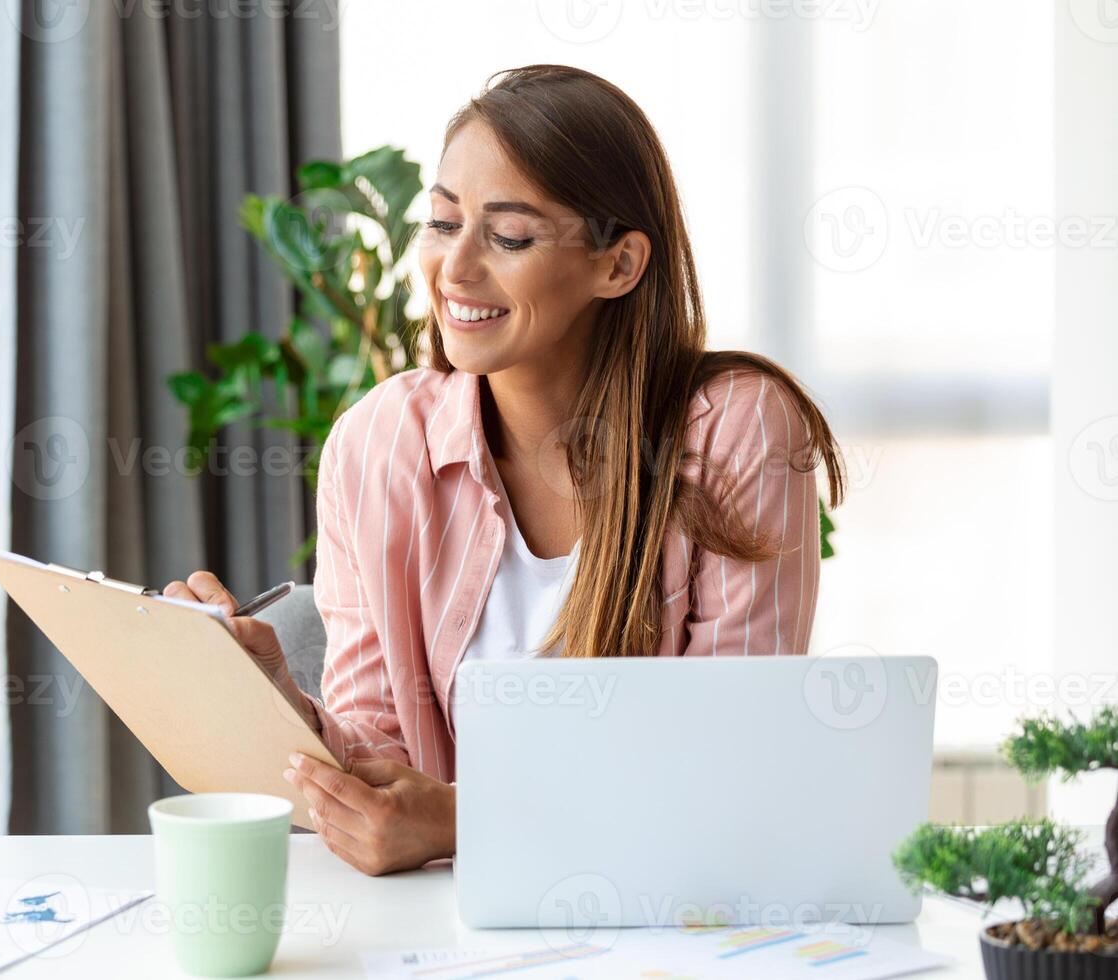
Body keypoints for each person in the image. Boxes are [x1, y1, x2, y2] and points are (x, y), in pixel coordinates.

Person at [164, 64, 844, 877]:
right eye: (444, 223)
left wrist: (463, 818)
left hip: (668, 911)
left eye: (509, 236)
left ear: (619, 265)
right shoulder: (377, 444)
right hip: (444, 922)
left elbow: (734, 763)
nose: (455, 270)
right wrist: (266, 690)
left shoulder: (735, 429)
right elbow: (377, 755)